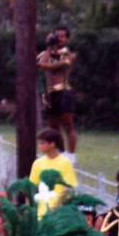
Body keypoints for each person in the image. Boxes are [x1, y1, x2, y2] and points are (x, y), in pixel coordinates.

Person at [37, 29, 78, 164]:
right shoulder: (47, 54)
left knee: (68, 125)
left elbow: (63, 64)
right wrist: (49, 48)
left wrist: (45, 65)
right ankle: (59, 153)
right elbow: (39, 63)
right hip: (50, 94)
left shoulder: (67, 53)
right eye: (57, 36)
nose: (59, 39)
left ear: (67, 38)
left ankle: (71, 157)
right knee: (53, 127)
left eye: (62, 36)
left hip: (64, 91)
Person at [28, 129, 77, 214]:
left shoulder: (65, 163)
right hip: (41, 212)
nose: (39, 146)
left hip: (59, 212)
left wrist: (54, 207)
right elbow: (30, 188)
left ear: (52, 144)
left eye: (42, 143)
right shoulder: (38, 163)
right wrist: (29, 210)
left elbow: (68, 188)